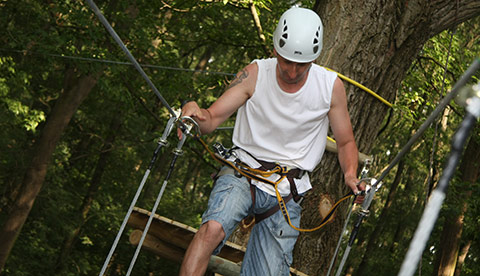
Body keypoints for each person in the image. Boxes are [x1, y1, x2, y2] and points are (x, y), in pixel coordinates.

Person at [179, 6, 363, 276]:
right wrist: (196, 114)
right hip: (242, 173)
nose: (291, 71)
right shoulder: (255, 73)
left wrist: (350, 174)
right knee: (212, 230)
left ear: (315, 58)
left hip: (287, 191)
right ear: (276, 50)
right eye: (286, 61)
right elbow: (211, 118)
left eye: (301, 65)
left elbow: (346, 142)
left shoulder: (329, 87)